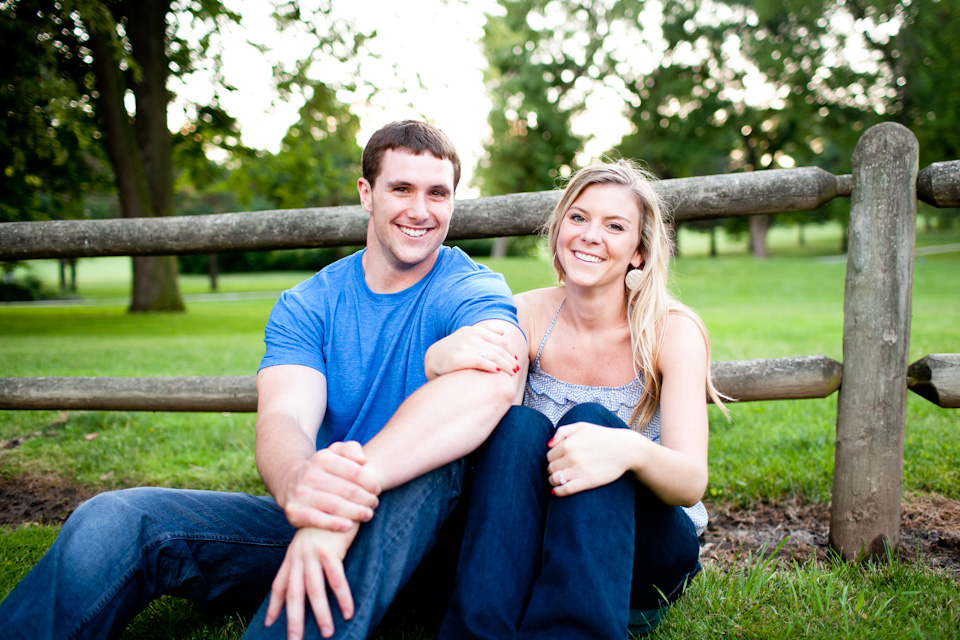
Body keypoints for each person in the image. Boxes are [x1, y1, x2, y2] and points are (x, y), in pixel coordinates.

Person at [0, 120, 527, 640]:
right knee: (118, 518)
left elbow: (495, 382)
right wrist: (303, 486)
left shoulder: (470, 287)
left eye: (438, 193)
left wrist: (347, 493)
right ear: (367, 194)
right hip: (318, 523)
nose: (420, 209)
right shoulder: (309, 304)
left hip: (434, 543)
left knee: (433, 460)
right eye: (402, 188)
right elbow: (285, 417)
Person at [425, 159, 728, 639]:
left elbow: (690, 482)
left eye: (615, 226)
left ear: (638, 252)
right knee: (518, 427)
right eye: (579, 217)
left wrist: (626, 448)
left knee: (592, 423)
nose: (591, 235)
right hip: (539, 540)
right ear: (560, 229)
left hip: (645, 553)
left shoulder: (671, 330)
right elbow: (472, 414)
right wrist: (439, 359)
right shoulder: (524, 313)